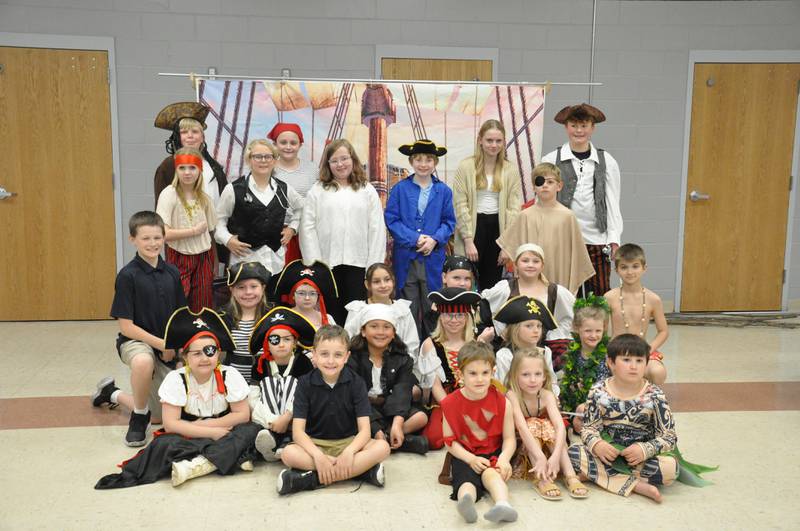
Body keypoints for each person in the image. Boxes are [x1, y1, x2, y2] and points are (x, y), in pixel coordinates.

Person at [94, 307, 259, 489]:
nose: (205, 358)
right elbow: (172, 425)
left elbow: (242, 415)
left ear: (218, 353)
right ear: (185, 356)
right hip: (192, 435)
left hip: (218, 431)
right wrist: (210, 433)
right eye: (197, 353)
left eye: (210, 351)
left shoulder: (229, 375)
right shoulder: (176, 379)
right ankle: (221, 459)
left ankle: (196, 465)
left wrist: (203, 426)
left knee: (251, 431)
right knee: (165, 444)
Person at [91, 211, 186, 447]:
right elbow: (126, 327)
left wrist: (176, 347)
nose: (152, 244)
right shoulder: (127, 276)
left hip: (166, 345)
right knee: (144, 363)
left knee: (161, 416)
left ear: (164, 238)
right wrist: (161, 344)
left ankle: (111, 393)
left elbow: (180, 316)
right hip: (136, 342)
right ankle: (139, 417)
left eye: (157, 238)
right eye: (145, 238)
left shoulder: (172, 273)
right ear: (132, 239)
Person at [277, 325, 391, 494]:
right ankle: (362, 472)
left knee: (382, 447)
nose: (331, 361)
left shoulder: (356, 383)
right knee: (288, 454)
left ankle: (312, 479)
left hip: (349, 442)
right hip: (315, 443)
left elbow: (365, 431)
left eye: (338, 355)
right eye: (324, 354)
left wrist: (350, 452)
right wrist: (318, 456)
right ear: (314, 355)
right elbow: (298, 432)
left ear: (346, 357)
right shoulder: (304, 383)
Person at [568, 334, 677, 503]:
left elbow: (669, 436)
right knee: (573, 453)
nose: (633, 366)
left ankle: (597, 476)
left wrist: (644, 449)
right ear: (611, 363)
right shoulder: (598, 392)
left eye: (639, 361)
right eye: (626, 360)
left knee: (670, 468)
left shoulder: (655, 395)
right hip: (608, 454)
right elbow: (589, 428)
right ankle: (638, 486)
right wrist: (598, 444)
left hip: (640, 458)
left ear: (646, 363)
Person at [299, 139, 386, 324]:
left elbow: (377, 229)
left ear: (353, 159)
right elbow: (307, 228)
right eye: (334, 160)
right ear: (328, 164)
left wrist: (374, 267)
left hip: (359, 264)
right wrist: (315, 265)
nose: (340, 164)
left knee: (358, 315)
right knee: (331, 315)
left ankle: (354, 351)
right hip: (328, 265)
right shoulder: (318, 190)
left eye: (344, 158)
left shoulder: (366, 190)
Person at [542, 103, 623, 297]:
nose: (579, 130)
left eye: (584, 125)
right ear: (566, 127)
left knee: (599, 295)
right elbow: (542, 201)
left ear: (592, 128)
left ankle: (597, 329)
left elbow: (613, 202)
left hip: (597, 239)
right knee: (564, 294)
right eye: (574, 125)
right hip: (562, 239)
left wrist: (614, 239)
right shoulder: (551, 159)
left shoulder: (607, 161)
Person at [385, 139, 456, 337]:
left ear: (435, 163)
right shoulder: (400, 189)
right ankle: (408, 351)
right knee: (406, 306)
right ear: (411, 161)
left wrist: (434, 240)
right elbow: (392, 220)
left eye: (428, 160)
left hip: (432, 260)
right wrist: (415, 239)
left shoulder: (444, 191)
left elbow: (449, 222)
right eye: (418, 159)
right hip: (406, 258)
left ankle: (431, 350)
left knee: (431, 303)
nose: (423, 164)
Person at [440, 341, 517, 524]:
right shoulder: (449, 404)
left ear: (493, 372)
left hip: (493, 452)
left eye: (485, 373)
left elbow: (509, 438)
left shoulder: (502, 402)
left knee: (492, 475)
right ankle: (466, 502)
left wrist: (504, 458)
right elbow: (449, 442)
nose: (480, 379)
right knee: (465, 480)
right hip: (465, 454)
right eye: (472, 373)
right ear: (461, 374)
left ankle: (502, 505)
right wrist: (470, 459)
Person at [496, 162, 593, 295]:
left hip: (558, 274)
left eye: (550, 182)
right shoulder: (525, 215)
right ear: (534, 188)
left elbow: (577, 255)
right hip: (529, 279)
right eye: (540, 182)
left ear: (559, 186)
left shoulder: (567, 217)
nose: (545, 185)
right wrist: (506, 251)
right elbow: (510, 247)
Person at [505, 349, 588, 501]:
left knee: (548, 424)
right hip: (525, 446)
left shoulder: (547, 395)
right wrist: (540, 456)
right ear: (514, 376)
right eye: (525, 374)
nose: (532, 380)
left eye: (537, 374)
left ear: (544, 375)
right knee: (533, 423)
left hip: (551, 446)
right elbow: (522, 428)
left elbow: (560, 427)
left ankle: (570, 475)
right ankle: (541, 478)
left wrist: (555, 456)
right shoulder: (512, 395)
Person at [347, 304, 429, 454]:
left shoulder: (403, 359)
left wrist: (397, 425)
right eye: (374, 326)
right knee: (348, 419)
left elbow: (402, 392)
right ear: (363, 331)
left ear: (393, 333)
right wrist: (375, 429)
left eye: (386, 327)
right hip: (362, 410)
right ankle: (393, 440)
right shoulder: (353, 358)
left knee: (421, 417)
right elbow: (355, 397)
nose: (380, 332)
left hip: (389, 406)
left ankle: (390, 435)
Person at [215, 139, 303, 275]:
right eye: (257, 156)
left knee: (272, 296)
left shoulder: (284, 189)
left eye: (268, 156)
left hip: (275, 262)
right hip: (244, 261)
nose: (263, 160)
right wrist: (228, 240)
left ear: (274, 161)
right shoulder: (233, 189)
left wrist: (292, 228)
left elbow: (302, 208)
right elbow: (218, 222)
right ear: (249, 160)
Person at [452, 119, 522, 290]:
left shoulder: (510, 169)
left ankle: (487, 317)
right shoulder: (466, 166)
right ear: (480, 140)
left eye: (498, 141)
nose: (493, 145)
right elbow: (460, 205)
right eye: (489, 140)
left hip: (499, 230)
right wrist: (468, 240)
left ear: (504, 142)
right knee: (465, 282)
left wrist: (506, 245)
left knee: (492, 286)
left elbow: (514, 209)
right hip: (472, 228)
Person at [481, 243, 576, 369]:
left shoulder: (555, 291)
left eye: (535, 261)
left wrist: (553, 338)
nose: (530, 265)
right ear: (516, 264)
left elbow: (570, 317)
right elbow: (486, 309)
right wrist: (503, 330)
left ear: (542, 266)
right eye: (525, 261)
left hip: (542, 352)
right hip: (513, 352)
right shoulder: (505, 289)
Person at [248, 306, 316, 462]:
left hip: (295, 417)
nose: (281, 344)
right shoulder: (260, 364)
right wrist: (271, 420)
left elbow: (306, 394)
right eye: (275, 340)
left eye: (287, 339)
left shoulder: (303, 362)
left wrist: (286, 418)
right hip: (267, 418)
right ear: (267, 343)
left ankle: (287, 442)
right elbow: (253, 397)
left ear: (295, 342)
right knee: (252, 430)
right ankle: (269, 441)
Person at [416, 287, 481, 450]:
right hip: (444, 400)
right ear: (440, 317)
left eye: (459, 315)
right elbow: (435, 386)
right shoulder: (431, 344)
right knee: (434, 439)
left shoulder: (475, 344)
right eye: (448, 315)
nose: (453, 320)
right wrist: (452, 410)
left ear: (467, 318)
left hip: (472, 398)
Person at [156, 147, 217, 312]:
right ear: (176, 170)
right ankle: (177, 336)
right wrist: (193, 231)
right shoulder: (169, 194)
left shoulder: (204, 197)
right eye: (182, 168)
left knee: (203, 303)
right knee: (178, 302)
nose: (187, 172)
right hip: (179, 256)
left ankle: (200, 335)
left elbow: (212, 230)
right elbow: (163, 234)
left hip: (204, 256)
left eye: (192, 168)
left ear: (199, 170)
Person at [604, 243, 668, 385]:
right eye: (624, 267)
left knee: (658, 372)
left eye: (635, 266)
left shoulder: (653, 299)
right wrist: (607, 352)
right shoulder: (609, 297)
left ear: (644, 268)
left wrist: (648, 350)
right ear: (617, 270)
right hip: (616, 351)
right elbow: (602, 331)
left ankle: (651, 401)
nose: (630, 272)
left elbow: (663, 331)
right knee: (618, 370)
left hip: (641, 351)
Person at [153, 101, 226, 208]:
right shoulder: (168, 165)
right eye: (184, 132)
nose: (190, 136)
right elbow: (161, 208)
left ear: (202, 137)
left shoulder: (213, 166)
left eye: (195, 131)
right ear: (178, 137)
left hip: (213, 223)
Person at [343, 263, 419, 362]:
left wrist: (400, 365)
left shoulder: (403, 311)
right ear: (367, 284)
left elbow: (411, 345)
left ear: (393, 281)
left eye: (387, 280)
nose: (383, 285)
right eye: (376, 282)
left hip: (397, 367)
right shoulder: (357, 310)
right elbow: (347, 342)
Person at [559, 294, 612, 434]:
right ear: (577, 328)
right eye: (588, 331)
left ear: (604, 329)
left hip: (603, 402)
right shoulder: (572, 352)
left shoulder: (608, 355)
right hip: (576, 402)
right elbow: (563, 376)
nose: (593, 335)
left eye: (598, 331)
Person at [268, 122, 318, 264]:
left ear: (300, 145)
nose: (288, 147)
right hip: (278, 234)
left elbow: (316, 201)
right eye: (283, 142)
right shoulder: (268, 169)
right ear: (275, 144)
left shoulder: (312, 169)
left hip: (307, 232)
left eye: (293, 143)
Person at [492, 295, 559, 396]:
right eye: (529, 326)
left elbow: (552, 382)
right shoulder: (505, 355)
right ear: (515, 329)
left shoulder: (545, 352)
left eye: (539, 326)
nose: (536, 330)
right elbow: (503, 387)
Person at [220, 261, 272, 384]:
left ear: (263, 288)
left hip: (267, 381)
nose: (248, 292)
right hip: (232, 383)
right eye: (241, 287)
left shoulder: (273, 316)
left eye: (254, 286)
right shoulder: (223, 317)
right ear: (232, 290)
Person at [422, 255, 476, 337]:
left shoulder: (478, 308)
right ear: (444, 277)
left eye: (467, 278)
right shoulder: (434, 312)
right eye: (456, 278)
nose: (462, 283)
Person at [273, 259, 338, 329]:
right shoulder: (282, 318)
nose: (307, 298)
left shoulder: (328, 319)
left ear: (318, 296)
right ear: (293, 296)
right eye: (301, 293)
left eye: (312, 293)